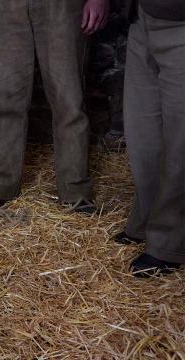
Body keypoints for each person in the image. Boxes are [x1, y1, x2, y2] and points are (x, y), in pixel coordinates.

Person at [0, 0, 109, 215]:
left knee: (68, 101)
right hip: (4, 8)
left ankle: (75, 191)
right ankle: (1, 187)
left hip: (62, 6)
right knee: (6, 99)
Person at [113, 0, 184, 276]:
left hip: (180, 23)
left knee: (179, 140)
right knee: (143, 133)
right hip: (142, 17)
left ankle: (168, 242)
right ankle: (146, 221)